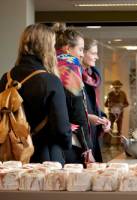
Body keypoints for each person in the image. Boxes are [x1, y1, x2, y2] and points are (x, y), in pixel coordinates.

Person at [0, 24, 72, 164]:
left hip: (10, 155)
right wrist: (68, 144)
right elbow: (62, 129)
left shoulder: (6, 78)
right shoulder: (51, 81)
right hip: (45, 157)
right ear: (46, 48)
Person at [52, 23, 94, 164]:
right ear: (67, 48)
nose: (82, 54)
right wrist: (87, 148)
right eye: (81, 49)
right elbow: (78, 110)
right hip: (70, 141)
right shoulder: (69, 66)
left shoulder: (50, 63)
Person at [82, 38, 111, 162]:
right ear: (82, 53)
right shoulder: (73, 77)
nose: (97, 57)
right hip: (80, 139)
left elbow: (93, 106)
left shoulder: (92, 77)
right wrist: (88, 117)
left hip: (92, 136)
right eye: (93, 53)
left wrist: (104, 119)